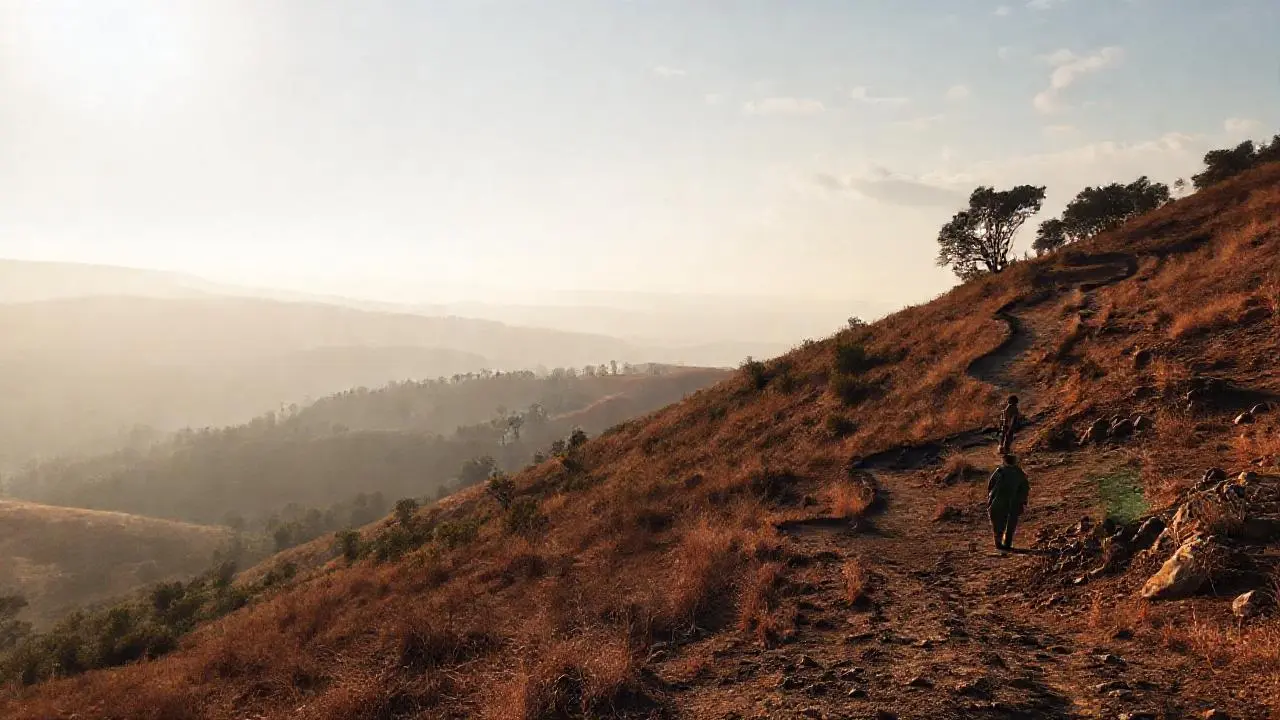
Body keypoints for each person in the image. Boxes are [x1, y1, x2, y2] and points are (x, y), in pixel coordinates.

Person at [987, 453, 1029, 551]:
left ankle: (999, 543)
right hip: (1013, 502)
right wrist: (1023, 501)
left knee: (998, 524)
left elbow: (990, 486)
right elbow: (1025, 488)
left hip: (998, 501)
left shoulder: (999, 471)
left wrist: (990, 498)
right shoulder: (1019, 473)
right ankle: (1007, 544)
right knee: (1011, 524)